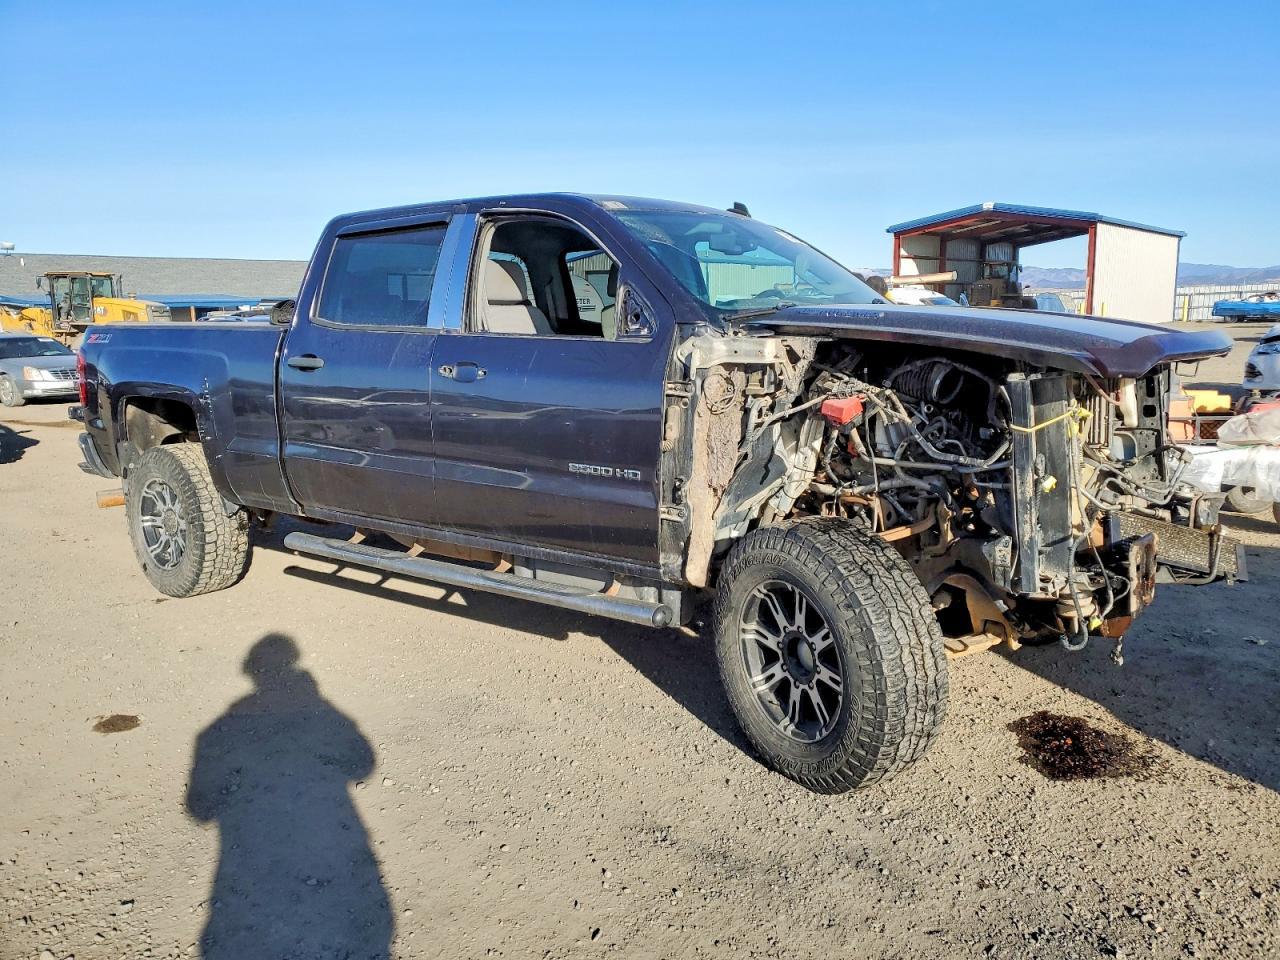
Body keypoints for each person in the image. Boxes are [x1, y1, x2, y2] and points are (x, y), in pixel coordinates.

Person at [186, 634, 392, 959]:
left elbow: (199, 809)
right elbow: (363, 765)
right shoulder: (324, 712)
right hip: (332, 853)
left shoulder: (214, 733)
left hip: (247, 881)